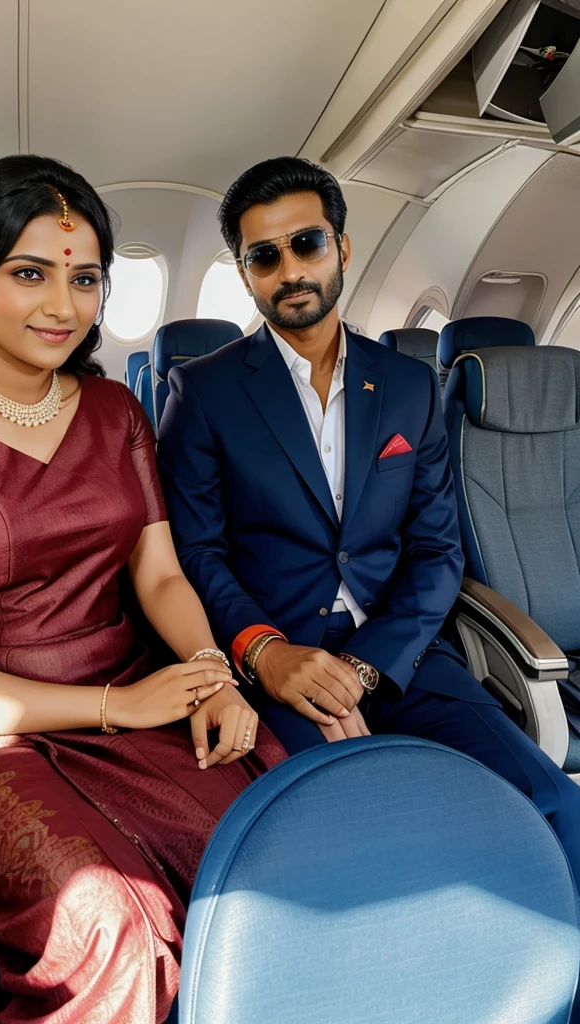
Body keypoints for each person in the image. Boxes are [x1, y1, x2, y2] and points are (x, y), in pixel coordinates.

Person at [0, 154, 285, 1024]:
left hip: (133, 692)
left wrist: (210, 674)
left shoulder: (116, 413)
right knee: (111, 921)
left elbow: (159, 574)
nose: (62, 306)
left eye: (85, 279)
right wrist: (121, 705)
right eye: (28, 273)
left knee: (269, 857)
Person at [157, 156, 580, 897]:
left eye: (307, 244)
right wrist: (267, 656)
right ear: (245, 272)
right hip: (273, 663)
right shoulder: (202, 392)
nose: (290, 270)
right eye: (265, 255)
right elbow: (197, 553)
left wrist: (365, 666)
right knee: (337, 840)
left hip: (402, 657)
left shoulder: (411, 386)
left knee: (552, 808)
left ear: (342, 248)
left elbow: (437, 551)